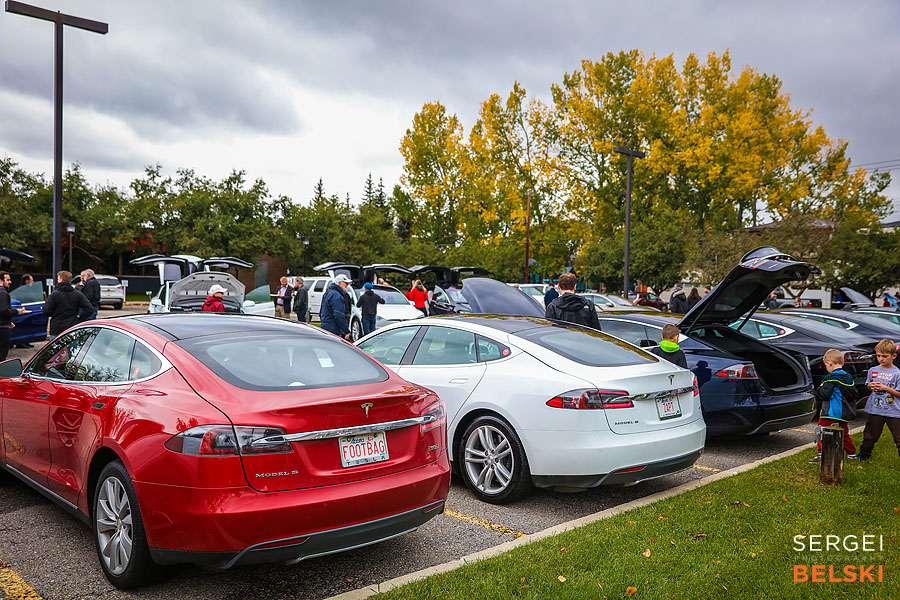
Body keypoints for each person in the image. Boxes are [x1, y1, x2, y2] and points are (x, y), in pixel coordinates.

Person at [852, 339, 900, 461]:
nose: (881, 359)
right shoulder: (873, 371)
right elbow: (868, 384)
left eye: (884, 356)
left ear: (893, 356)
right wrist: (871, 386)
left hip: (893, 411)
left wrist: (885, 388)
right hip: (875, 409)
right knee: (870, 435)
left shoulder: (897, 373)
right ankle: (864, 454)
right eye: (878, 356)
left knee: (898, 437)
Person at [808, 349, 858, 462]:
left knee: (822, 431)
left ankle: (822, 454)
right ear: (842, 363)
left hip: (830, 412)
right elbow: (853, 395)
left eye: (825, 365)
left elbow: (824, 395)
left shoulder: (830, 378)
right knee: (844, 433)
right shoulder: (848, 377)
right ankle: (852, 454)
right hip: (844, 413)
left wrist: (820, 387)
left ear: (829, 363)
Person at [43, 270, 93, 339]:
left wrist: (53, 314)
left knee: (56, 349)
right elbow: (89, 309)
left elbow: (46, 310)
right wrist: (80, 318)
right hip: (72, 326)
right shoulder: (78, 294)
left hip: (57, 327)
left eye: (58, 278)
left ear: (61, 280)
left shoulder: (54, 294)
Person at [0, 271, 27, 360]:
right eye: (8, 280)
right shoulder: (3, 293)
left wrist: (8, 321)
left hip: (4, 324)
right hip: (2, 328)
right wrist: (16, 312)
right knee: (2, 354)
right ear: (1, 281)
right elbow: (3, 310)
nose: (10, 282)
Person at [321, 274, 352, 339]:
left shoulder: (328, 293)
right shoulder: (337, 296)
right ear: (339, 283)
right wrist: (346, 330)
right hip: (333, 330)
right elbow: (338, 315)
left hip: (325, 328)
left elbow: (321, 312)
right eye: (345, 283)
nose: (347, 285)